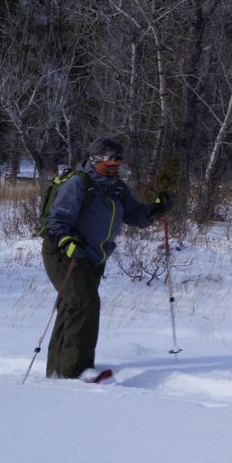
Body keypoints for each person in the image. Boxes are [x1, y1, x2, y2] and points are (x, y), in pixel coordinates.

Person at [40, 136, 172, 379]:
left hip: (92, 257)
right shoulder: (78, 184)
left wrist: (156, 208)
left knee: (73, 308)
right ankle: (76, 371)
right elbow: (56, 222)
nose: (113, 170)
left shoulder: (117, 188)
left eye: (117, 166)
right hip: (64, 255)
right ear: (94, 161)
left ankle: (58, 370)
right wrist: (67, 242)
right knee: (85, 304)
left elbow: (136, 216)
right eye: (108, 165)